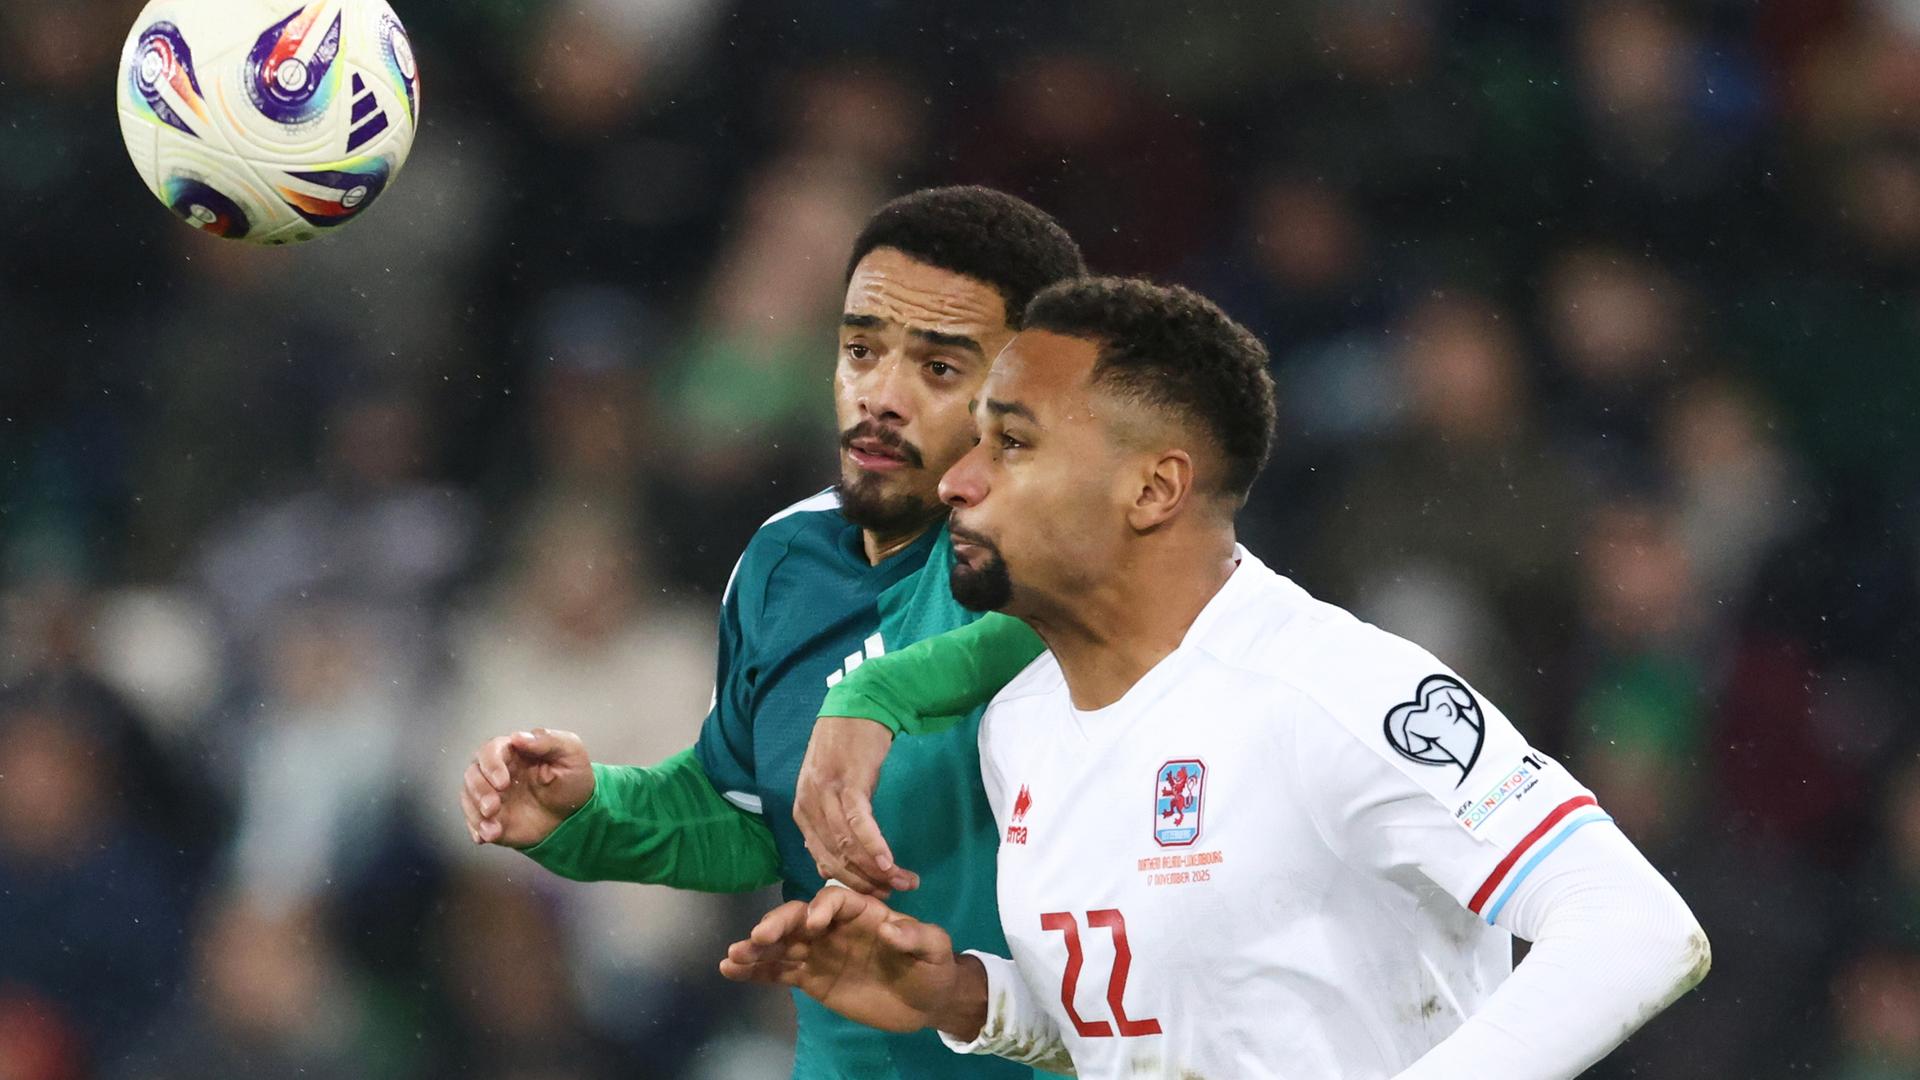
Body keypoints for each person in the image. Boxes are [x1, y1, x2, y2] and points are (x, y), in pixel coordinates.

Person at [724, 277, 1710, 1079]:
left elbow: (1636, 927)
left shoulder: (1332, 691)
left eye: (1012, 443)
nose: (956, 480)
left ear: (1152, 488)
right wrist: (963, 999)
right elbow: (1159, 1025)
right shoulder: (1017, 726)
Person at [458, 185, 1087, 1079]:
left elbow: (1042, 631)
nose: (881, 396)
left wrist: (880, 694)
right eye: (862, 350)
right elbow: (753, 816)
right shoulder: (786, 560)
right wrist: (590, 813)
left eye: (940, 369)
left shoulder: (1080, 567)